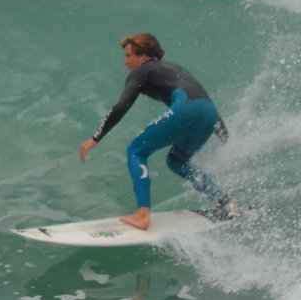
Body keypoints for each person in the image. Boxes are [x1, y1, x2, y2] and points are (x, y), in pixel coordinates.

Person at [78, 33, 238, 229]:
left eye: (129, 56)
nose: (125, 62)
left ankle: (142, 215)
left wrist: (95, 138)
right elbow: (203, 100)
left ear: (143, 55)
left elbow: (121, 105)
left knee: (135, 150)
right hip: (209, 114)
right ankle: (225, 203)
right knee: (177, 162)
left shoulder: (141, 71)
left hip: (187, 108)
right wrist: (224, 138)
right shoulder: (175, 68)